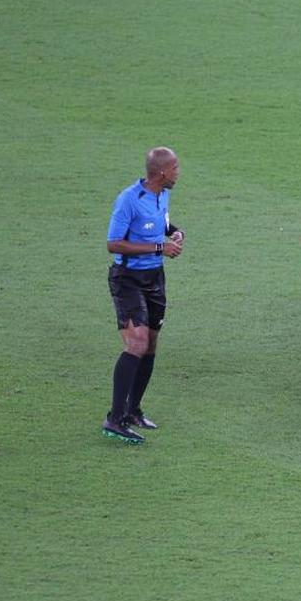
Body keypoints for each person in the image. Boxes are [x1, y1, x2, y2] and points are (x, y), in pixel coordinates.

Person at [101, 147, 185, 444]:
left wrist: (174, 232)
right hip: (128, 279)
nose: (178, 172)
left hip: (154, 278)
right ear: (161, 172)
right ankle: (114, 419)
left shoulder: (163, 194)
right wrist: (160, 248)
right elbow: (113, 243)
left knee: (150, 344)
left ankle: (133, 410)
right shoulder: (129, 199)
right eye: (175, 168)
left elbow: (160, 224)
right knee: (136, 343)